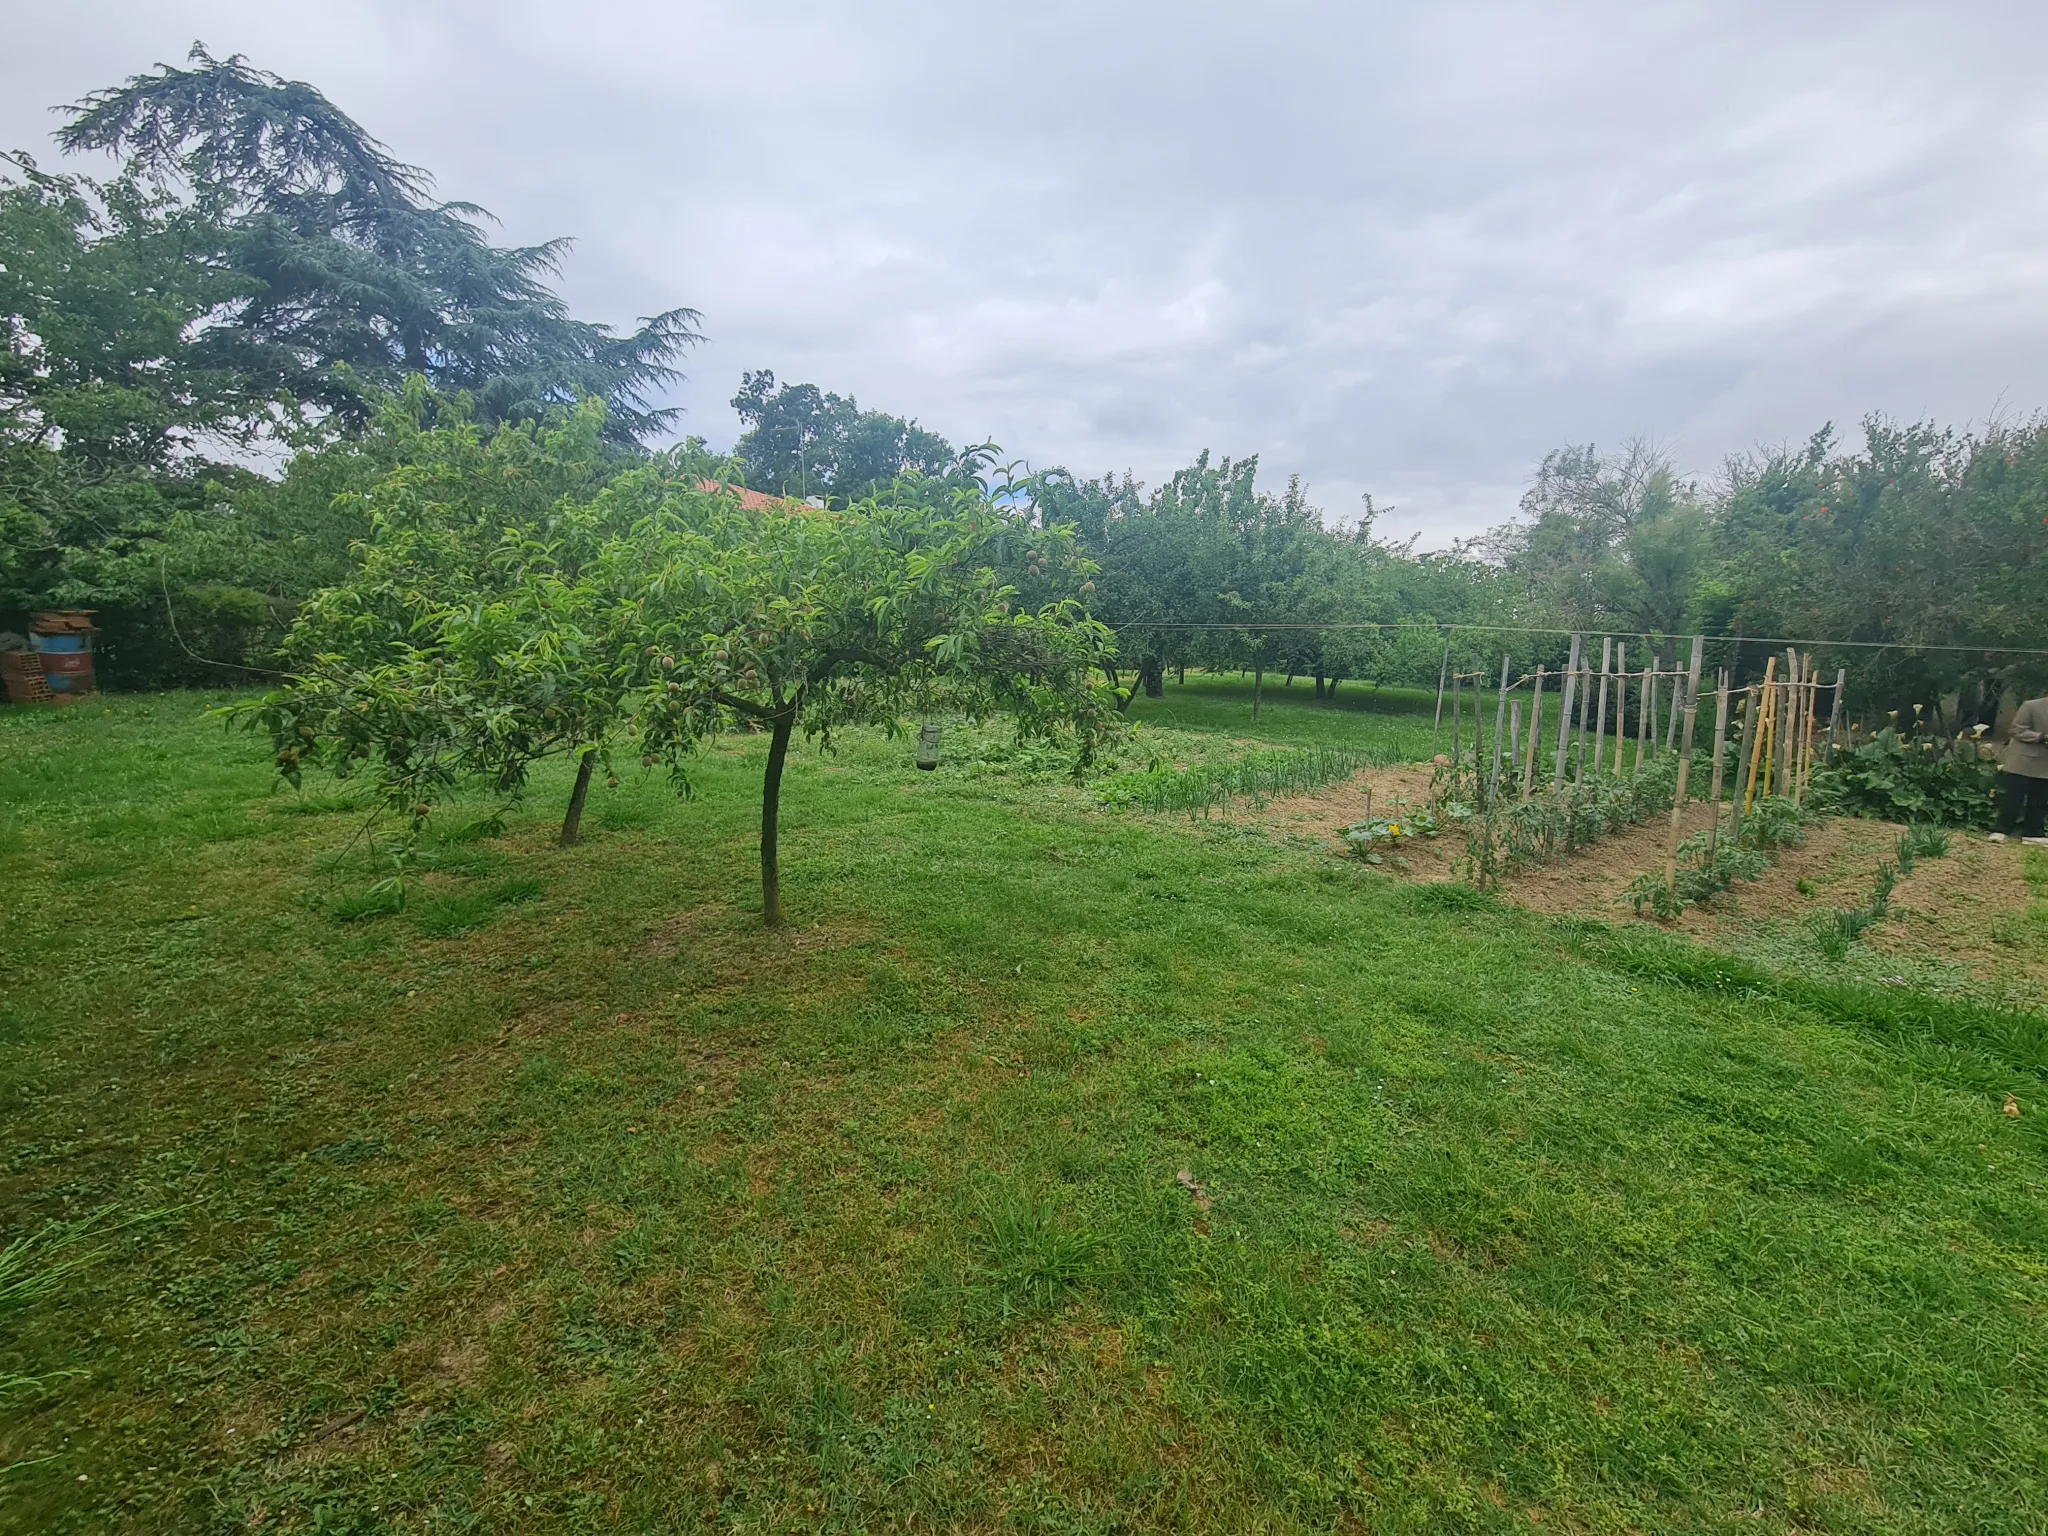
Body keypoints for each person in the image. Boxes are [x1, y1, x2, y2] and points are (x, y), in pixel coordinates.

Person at [1991, 691, 2048, 844]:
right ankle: (2001, 830)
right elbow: (2017, 730)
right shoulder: (2031, 706)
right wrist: (2041, 737)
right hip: (2023, 760)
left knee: (2040, 800)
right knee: (2013, 798)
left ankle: (2033, 833)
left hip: (2045, 764)